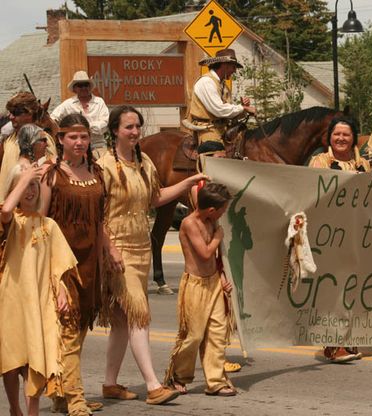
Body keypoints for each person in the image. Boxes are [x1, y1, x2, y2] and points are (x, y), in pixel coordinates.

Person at [97, 105, 208, 405]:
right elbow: (96, 214)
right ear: (115, 131)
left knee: (122, 321)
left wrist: (186, 183)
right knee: (139, 316)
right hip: (116, 249)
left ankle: (109, 383)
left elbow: (155, 198)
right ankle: (153, 384)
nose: (134, 132)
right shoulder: (103, 165)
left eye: (137, 127)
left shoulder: (144, 162)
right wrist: (109, 248)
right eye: (128, 127)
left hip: (141, 247)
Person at [39, 114, 106, 416]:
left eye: (84, 137)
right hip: (62, 263)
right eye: (72, 137)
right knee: (67, 328)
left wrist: (111, 251)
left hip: (91, 260)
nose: (79, 142)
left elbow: (100, 220)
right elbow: (39, 224)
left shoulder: (97, 172)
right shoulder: (52, 175)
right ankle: (75, 399)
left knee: (79, 329)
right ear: (61, 139)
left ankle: (60, 395)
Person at [0, 163, 75, 416]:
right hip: (11, 301)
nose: (30, 191)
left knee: (36, 360)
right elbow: (7, 209)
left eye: (34, 185)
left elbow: (58, 265)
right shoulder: (11, 222)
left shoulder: (49, 225)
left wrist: (62, 290)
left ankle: (32, 413)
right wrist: (24, 178)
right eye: (23, 185)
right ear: (14, 188)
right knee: (11, 362)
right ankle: (14, 409)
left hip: (40, 303)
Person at [164, 181, 237, 397]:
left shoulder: (211, 221)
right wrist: (218, 237)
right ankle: (179, 376)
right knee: (194, 335)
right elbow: (205, 253)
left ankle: (215, 381)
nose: (223, 214)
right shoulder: (190, 223)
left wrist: (222, 276)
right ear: (212, 210)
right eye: (222, 210)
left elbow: (213, 259)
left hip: (213, 282)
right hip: (194, 284)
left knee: (217, 332)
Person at [309, 116, 370, 362]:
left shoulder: (364, 163)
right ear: (329, 138)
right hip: (330, 235)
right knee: (334, 288)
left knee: (352, 289)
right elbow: (315, 189)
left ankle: (346, 338)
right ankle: (333, 343)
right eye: (337, 134)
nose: (341, 138)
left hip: (357, 234)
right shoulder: (320, 161)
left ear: (354, 137)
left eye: (346, 134)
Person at [183, 49, 255, 146]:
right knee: (217, 155)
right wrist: (243, 108)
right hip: (207, 130)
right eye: (233, 67)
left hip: (223, 128)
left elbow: (228, 113)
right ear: (224, 65)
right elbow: (219, 110)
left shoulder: (223, 86)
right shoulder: (206, 82)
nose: (234, 71)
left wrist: (243, 109)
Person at [0, 92, 56, 203]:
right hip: (6, 208)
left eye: (16, 113)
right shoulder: (8, 139)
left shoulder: (43, 140)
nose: (11, 117)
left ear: (30, 114)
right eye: (10, 113)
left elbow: (49, 176)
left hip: (32, 208)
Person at [51, 71, 109, 159]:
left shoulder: (99, 102)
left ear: (90, 87)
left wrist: (85, 128)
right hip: (76, 147)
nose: (83, 88)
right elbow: (53, 118)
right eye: (80, 85)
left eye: (86, 85)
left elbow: (105, 123)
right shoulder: (68, 104)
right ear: (75, 88)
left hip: (98, 146)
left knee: (103, 168)